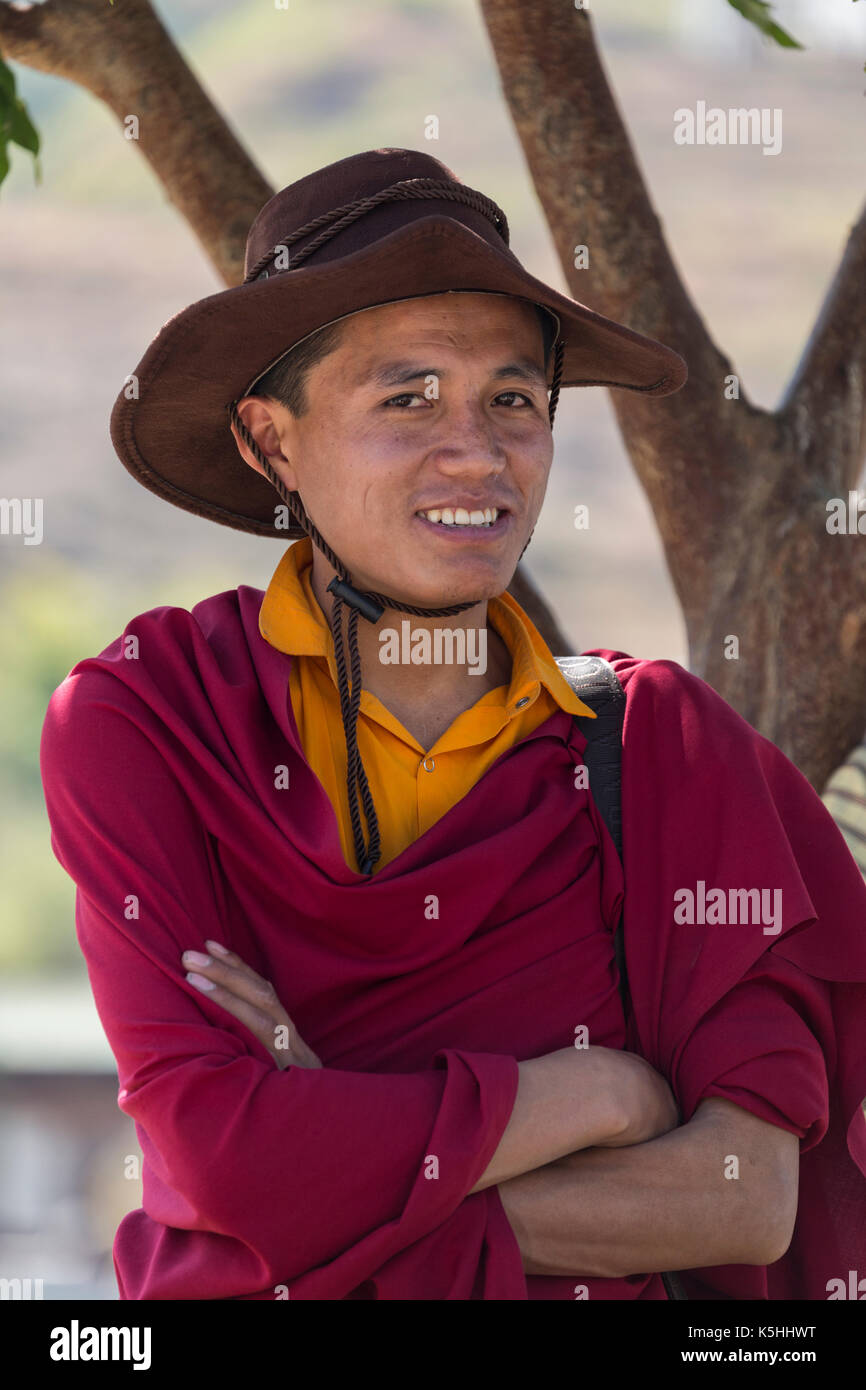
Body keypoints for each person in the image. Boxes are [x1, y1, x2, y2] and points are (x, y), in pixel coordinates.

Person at [40, 148, 866, 1300]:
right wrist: (598, 1097)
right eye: (407, 396)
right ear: (270, 439)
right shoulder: (150, 715)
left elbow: (741, 1196)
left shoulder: (658, 748)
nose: (475, 451)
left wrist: (335, 1177)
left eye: (513, 401)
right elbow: (223, 1159)